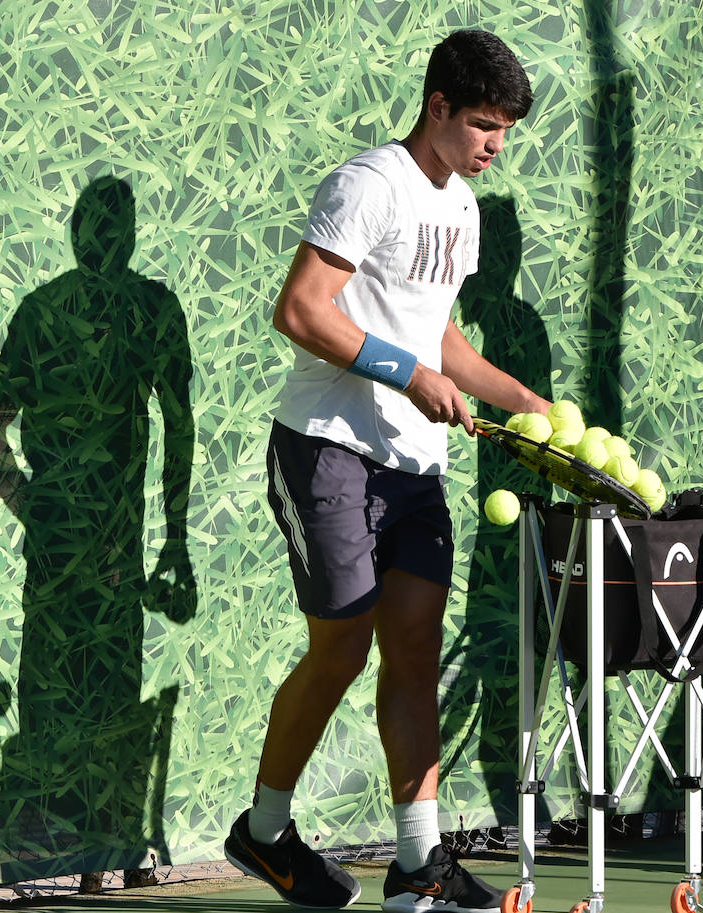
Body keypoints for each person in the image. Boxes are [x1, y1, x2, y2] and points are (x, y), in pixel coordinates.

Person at [222, 29, 549, 912]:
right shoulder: (369, 185)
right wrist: (408, 376)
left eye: (505, 132)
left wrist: (520, 399)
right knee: (344, 646)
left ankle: (419, 862)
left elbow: (434, 330)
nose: (493, 145)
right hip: (327, 445)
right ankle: (264, 832)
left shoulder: (463, 209)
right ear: (437, 107)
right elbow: (301, 307)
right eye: (482, 124)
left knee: (412, 650)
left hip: (414, 466)